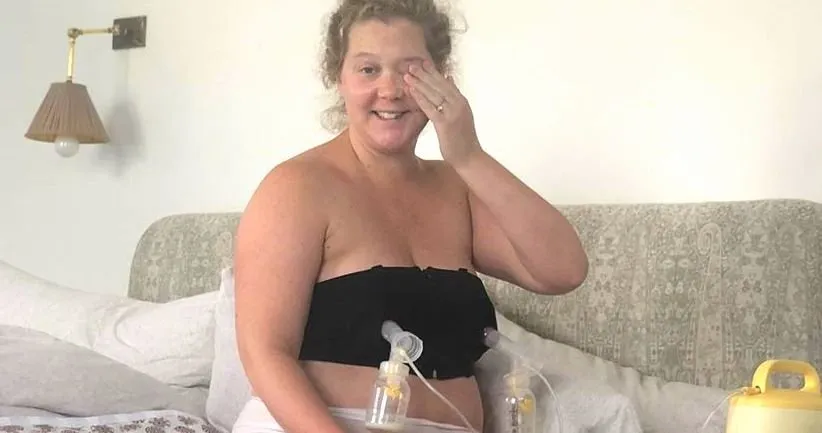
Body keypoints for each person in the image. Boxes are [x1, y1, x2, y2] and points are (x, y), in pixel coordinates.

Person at [231, 1, 589, 432]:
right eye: (368, 69)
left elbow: (563, 270)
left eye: (411, 70)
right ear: (338, 77)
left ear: (443, 78)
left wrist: (468, 155)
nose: (390, 90)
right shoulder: (297, 187)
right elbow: (264, 352)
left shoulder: (456, 188)